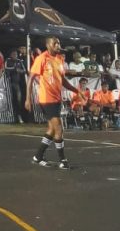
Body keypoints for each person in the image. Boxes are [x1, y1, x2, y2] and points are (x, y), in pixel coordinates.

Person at [27, 37, 80, 169]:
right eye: (54, 43)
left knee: (51, 129)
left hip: (56, 98)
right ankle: (63, 160)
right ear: (47, 45)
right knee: (59, 129)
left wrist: (76, 90)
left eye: (59, 43)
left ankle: (38, 156)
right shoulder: (42, 58)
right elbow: (31, 79)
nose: (57, 45)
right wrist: (28, 98)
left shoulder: (60, 59)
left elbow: (62, 80)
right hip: (46, 99)